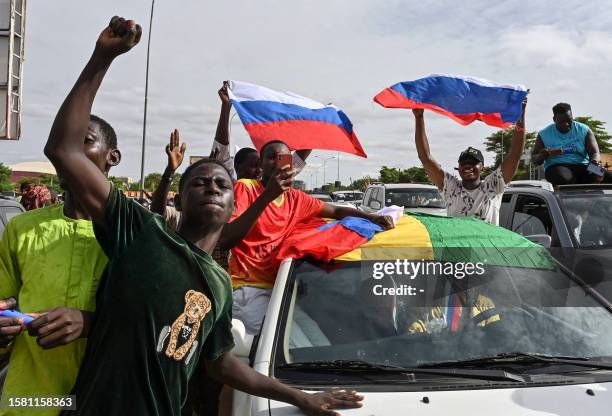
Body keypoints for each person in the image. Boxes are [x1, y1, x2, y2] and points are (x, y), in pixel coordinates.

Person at [45, 16, 362, 416]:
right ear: (181, 195)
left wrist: (304, 398)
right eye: (200, 182)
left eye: (221, 185)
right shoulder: (143, 231)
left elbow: (221, 363)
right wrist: (102, 58)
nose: (213, 186)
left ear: (234, 204)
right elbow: (65, 151)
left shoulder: (219, 284)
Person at [0, 112, 121, 416]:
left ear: (112, 157)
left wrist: (90, 323)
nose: (68, 151)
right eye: (62, 143)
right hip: (29, 402)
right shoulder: (21, 229)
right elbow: (4, 303)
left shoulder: (136, 235)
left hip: (107, 401)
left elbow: (155, 324)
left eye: (83, 141)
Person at [220, 139, 395, 335]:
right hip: (249, 289)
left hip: (284, 289)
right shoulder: (246, 187)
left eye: (282, 158)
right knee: (279, 348)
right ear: (261, 164)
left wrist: (372, 217)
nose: (276, 162)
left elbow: (336, 210)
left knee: (315, 339)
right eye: (270, 157)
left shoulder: (296, 198)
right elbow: (226, 239)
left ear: (290, 164)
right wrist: (267, 196)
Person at [151, 82, 311, 232]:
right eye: (202, 184)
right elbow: (158, 213)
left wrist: (316, 126)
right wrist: (226, 108)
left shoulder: (270, 188)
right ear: (237, 167)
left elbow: (293, 163)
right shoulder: (228, 188)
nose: (213, 190)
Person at [412, 102, 527, 225]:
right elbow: (425, 157)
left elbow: (515, 154)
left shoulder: (494, 186)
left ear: (482, 167)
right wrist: (419, 117)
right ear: (458, 168)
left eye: (473, 163)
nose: (468, 165)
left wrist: (521, 114)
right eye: (464, 163)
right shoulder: (451, 188)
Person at [532, 102, 612, 186]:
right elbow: (535, 160)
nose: (566, 124)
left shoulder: (584, 130)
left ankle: (594, 182)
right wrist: (542, 155)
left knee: (607, 176)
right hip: (557, 166)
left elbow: (595, 153)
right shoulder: (544, 134)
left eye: (569, 120)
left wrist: (594, 162)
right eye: (561, 122)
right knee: (562, 178)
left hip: (584, 166)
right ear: (554, 119)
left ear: (572, 117)